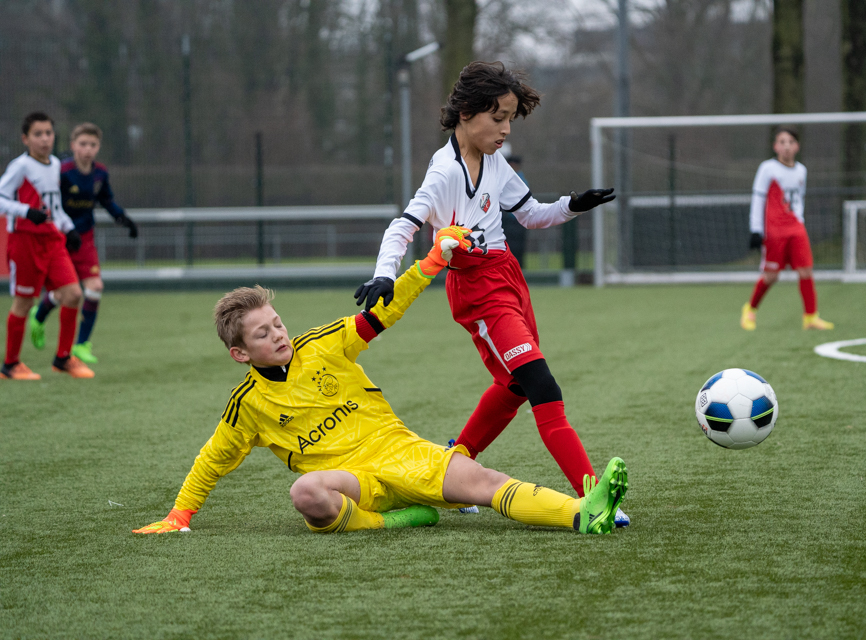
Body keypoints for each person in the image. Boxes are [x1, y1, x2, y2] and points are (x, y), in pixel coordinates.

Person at [133, 228, 628, 536]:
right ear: (241, 353)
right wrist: (181, 514)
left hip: (401, 453)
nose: (279, 334)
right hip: (356, 485)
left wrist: (430, 263)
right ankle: (390, 520)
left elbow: (383, 312)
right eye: (263, 333)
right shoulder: (248, 405)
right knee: (306, 494)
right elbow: (212, 459)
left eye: (278, 323)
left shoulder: (323, 344)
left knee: (483, 482)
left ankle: (584, 512)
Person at [353, 61, 629, 526]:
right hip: (479, 291)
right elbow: (404, 225)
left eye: (509, 119)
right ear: (465, 112)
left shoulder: (496, 162)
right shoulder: (444, 172)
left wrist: (573, 205)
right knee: (542, 384)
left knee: (515, 385)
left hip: (509, 278)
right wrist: (385, 274)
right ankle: (592, 495)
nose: (505, 129)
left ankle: (454, 461)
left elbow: (532, 214)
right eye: (497, 117)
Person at [29, 122, 138, 364]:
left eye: (92, 145)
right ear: (73, 146)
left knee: (95, 287)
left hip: (85, 238)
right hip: (61, 237)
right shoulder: (63, 172)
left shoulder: (100, 173)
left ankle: (81, 345)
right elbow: (48, 202)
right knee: (64, 292)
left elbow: (107, 200)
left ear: (98, 147)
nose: (87, 149)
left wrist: (123, 218)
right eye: (83, 144)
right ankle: (40, 313)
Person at [0, 112, 93, 380]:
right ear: (25, 139)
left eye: (48, 133)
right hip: (25, 241)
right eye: (38, 134)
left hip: (52, 240)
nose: (44, 139)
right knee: (25, 301)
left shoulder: (54, 165)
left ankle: (63, 358)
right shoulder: (20, 166)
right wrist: (25, 212)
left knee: (74, 293)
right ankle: (10, 364)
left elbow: (53, 208)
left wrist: (69, 228)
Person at [741, 126, 834, 332]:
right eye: (782, 142)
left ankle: (810, 317)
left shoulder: (802, 171)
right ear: (775, 146)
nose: (786, 146)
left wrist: (799, 220)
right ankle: (750, 310)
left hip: (796, 229)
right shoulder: (768, 169)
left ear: (797, 146)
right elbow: (758, 199)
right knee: (771, 276)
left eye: (790, 142)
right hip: (774, 232)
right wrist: (755, 230)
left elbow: (798, 200)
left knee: (806, 270)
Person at [502, 154, 528, 270]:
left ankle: (518, 270)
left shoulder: (520, 180)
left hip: (518, 220)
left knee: (518, 248)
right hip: (506, 220)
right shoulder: (504, 178)